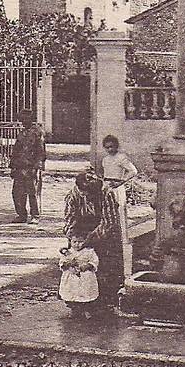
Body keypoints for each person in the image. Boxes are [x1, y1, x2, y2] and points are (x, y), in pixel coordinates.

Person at [64, 169, 123, 315]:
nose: (88, 196)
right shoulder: (73, 195)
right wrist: (74, 239)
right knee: (76, 266)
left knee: (104, 265)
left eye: (91, 194)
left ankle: (105, 302)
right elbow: (70, 219)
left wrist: (92, 239)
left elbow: (109, 221)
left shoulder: (106, 193)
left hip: (103, 232)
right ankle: (76, 301)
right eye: (85, 193)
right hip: (81, 229)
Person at [100, 134, 138, 275]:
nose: (110, 149)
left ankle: (121, 238)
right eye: (107, 147)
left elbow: (133, 171)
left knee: (118, 211)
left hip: (117, 187)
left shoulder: (121, 157)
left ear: (116, 146)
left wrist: (121, 181)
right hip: (107, 186)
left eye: (112, 147)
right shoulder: (105, 159)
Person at [10, 109, 46, 224]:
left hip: (31, 167)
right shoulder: (22, 133)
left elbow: (41, 151)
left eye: (25, 119)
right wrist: (12, 166)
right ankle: (21, 215)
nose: (23, 122)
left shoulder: (38, 132)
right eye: (22, 120)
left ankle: (35, 215)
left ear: (31, 119)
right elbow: (16, 150)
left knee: (32, 192)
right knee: (17, 192)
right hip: (20, 167)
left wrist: (38, 166)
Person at [59, 236, 100, 319]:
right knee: (71, 292)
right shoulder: (68, 252)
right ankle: (73, 309)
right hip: (71, 276)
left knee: (86, 292)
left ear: (85, 241)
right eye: (74, 242)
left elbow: (94, 261)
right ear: (70, 242)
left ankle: (86, 310)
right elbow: (62, 263)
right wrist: (68, 265)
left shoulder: (89, 251)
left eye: (80, 242)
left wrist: (87, 266)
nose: (77, 244)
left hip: (85, 276)